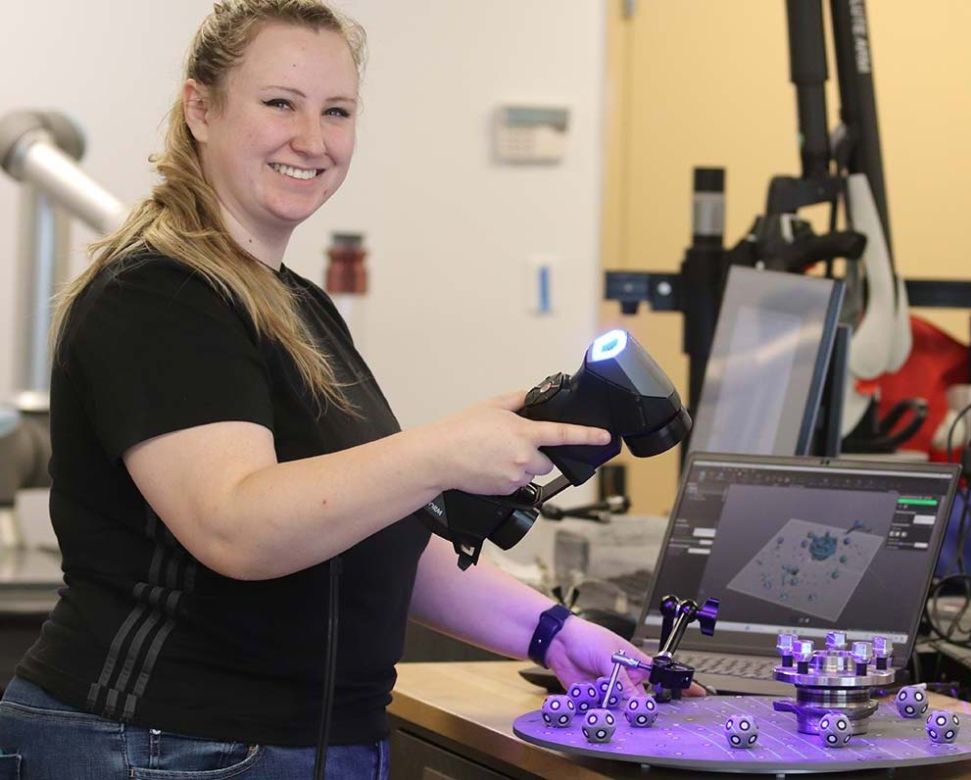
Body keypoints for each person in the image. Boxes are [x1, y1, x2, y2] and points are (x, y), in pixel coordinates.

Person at [0, 2, 684, 777]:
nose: (312, 140)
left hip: (292, 744)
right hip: (160, 744)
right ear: (200, 107)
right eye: (279, 104)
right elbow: (235, 527)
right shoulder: (160, 293)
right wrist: (443, 451)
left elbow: (375, 535)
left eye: (337, 112)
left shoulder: (294, 303)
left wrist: (557, 632)